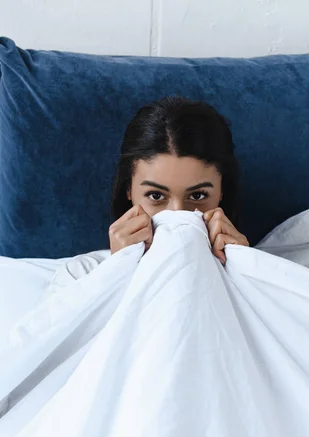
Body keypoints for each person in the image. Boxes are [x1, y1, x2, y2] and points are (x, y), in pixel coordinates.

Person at [48, 96, 250, 292]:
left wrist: (246, 274)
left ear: (222, 191)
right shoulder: (80, 276)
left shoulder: (252, 277)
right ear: (128, 190)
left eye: (197, 196)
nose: (177, 214)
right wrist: (117, 273)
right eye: (156, 196)